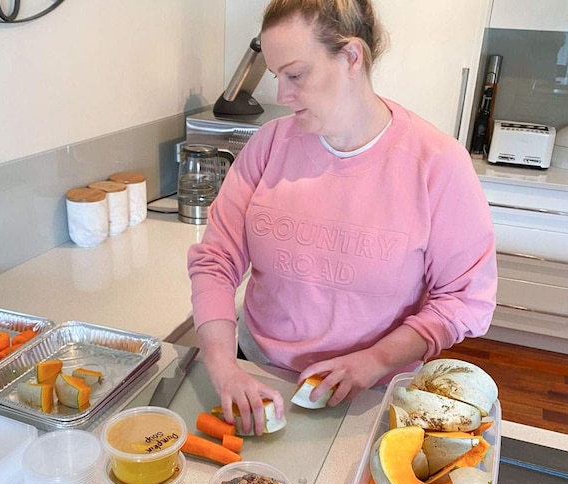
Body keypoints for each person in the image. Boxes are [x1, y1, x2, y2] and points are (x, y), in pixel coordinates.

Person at [187, 0, 497, 435]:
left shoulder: (437, 164)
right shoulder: (268, 145)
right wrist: (223, 370)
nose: (281, 96)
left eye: (295, 75)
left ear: (352, 56)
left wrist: (374, 361)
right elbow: (215, 262)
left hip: (372, 394)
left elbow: (464, 300)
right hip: (257, 374)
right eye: (278, 77)